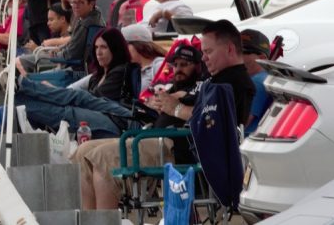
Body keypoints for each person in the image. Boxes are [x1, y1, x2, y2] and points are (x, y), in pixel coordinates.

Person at [76, 20, 255, 210]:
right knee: (84, 152)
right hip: (157, 137)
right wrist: (167, 101)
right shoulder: (213, 79)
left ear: (229, 49)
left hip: (176, 147)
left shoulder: (234, 83)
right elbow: (194, 103)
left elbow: (215, 121)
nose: (203, 58)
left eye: (208, 52)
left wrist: (175, 109)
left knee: (101, 158)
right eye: (203, 53)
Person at [74, 43, 205, 210]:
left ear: (197, 66)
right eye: (176, 65)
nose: (178, 69)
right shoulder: (171, 87)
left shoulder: (200, 86)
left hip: (170, 145)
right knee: (83, 151)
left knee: (101, 158)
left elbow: (190, 106)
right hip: (146, 134)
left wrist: (170, 102)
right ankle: (89, 220)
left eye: (185, 65)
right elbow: (157, 103)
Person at [14, 28, 138, 138]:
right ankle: (19, 91)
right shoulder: (97, 76)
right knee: (70, 100)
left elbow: (90, 99)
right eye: (96, 47)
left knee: (68, 108)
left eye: (104, 47)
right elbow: (73, 90)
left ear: (115, 49)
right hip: (104, 114)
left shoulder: (121, 71)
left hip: (119, 120)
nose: (98, 52)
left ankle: (20, 91)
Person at [16, 0, 104, 75]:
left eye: (81, 3)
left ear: (91, 4)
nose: (76, 6)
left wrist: (54, 55)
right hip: (68, 62)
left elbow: (72, 53)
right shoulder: (92, 17)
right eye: (74, 2)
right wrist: (58, 49)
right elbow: (72, 44)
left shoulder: (86, 24)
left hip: (72, 69)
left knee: (23, 65)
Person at [241, 29, 272, 135]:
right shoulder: (265, 78)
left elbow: (240, 124)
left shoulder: (257, 82)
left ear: (262, 58)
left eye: (243, 52)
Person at [121, 24, 168, 93]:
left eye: (125, 45)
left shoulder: (159, 65)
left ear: (138, 45)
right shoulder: (131, 69)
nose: (122, 50)